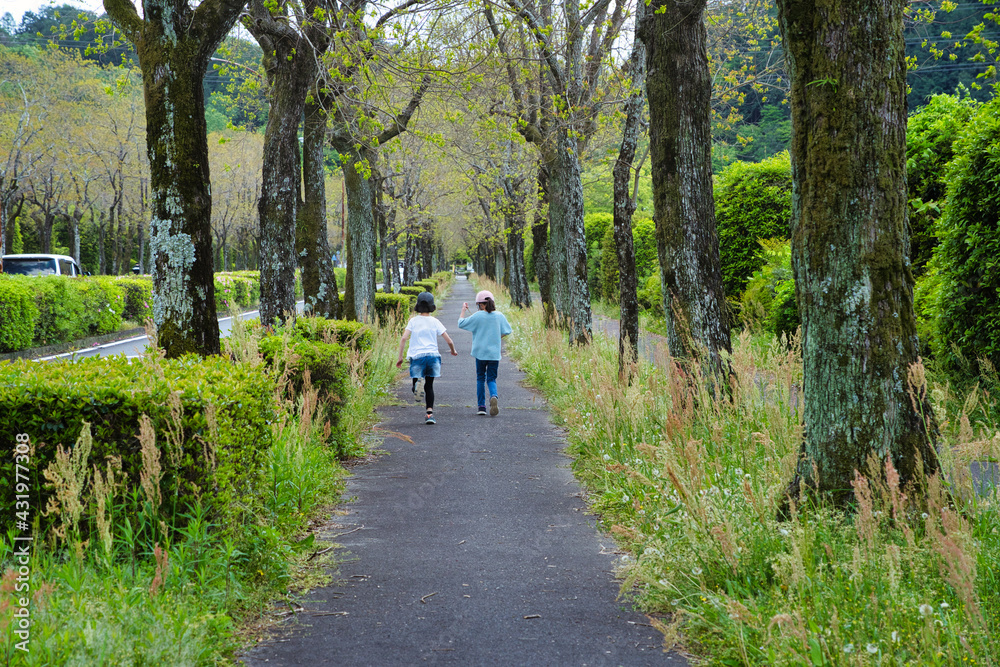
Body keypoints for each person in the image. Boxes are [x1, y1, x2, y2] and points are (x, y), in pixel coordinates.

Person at [397, 292, 458, 425]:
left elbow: (403, 338)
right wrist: (453, 350)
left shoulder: (413, 321)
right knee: (429, 386)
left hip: (417, 356)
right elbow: (449, 340)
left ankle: (416, 385)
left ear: (417, 306)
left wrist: (400, 357)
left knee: (417, 381)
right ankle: (429, 414)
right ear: (432, 306)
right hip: (433, 356)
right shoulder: (435, 321)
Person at [458, 290, 512, 416]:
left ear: (480, 304)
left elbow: (461, 323)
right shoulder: (499, 316)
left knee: (480, 378)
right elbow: (508, 330)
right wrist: (498, 337)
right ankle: (494, 396)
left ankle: (481, 407)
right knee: (491, 378)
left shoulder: (478, 315)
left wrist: (463, 310)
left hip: (480, 353)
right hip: (494, 354)